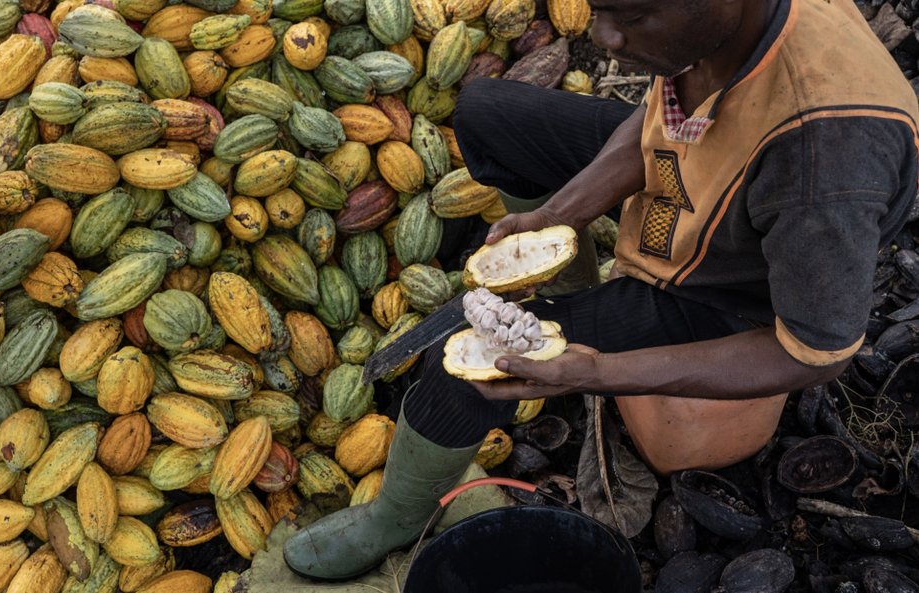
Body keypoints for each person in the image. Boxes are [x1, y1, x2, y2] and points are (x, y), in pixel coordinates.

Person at [284, 0, 919, 580]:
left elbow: (813, 351)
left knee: (460, 369)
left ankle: (396, 515)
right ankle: (563, 286)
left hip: (725, 290)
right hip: (699, 184)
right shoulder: (717, 31)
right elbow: (657, 128)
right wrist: (556, 218)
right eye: (599, 8)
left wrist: (599, 371)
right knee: (487, 113)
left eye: (634, 17)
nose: (603, 37)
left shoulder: (824, 160)